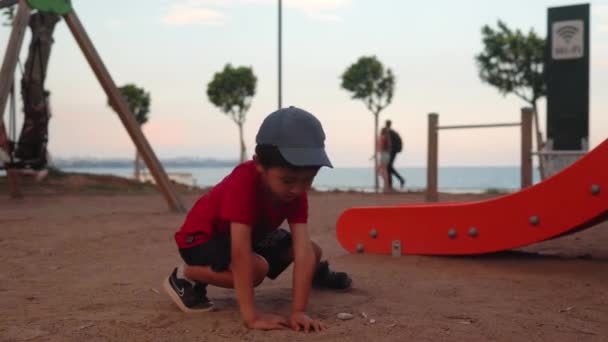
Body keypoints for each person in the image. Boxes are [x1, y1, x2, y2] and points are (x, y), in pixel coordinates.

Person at [164, 106, 352, 333]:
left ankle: (312, 276)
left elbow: (302, 249)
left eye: (308, 180)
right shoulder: (243, 182)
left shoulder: (295, 190)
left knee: (313, 251)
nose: (298, 189)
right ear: (259, 164)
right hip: (201, 239)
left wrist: (298, 311)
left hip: (251, 235)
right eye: (288, 180)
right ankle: (187, 273)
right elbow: (240, 252)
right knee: (256, 270)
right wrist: (251, 317)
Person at [384, 120, 405, 189]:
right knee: (388, 167)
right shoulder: (393, 132)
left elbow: (389, 142)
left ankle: (399, 180)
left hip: (392, 151)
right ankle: (391, 184)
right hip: (394, 151)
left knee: (388, 167)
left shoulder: (389, 132)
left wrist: (389, 150)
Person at [377, 127, 391, 192]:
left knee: (380, 170)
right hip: (386, 155)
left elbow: (380, 146)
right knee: (383, 170)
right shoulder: (387, 138)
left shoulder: (382, 137)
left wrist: (379, 151)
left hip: (383, 154)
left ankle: (386, 186)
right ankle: (386, 186)